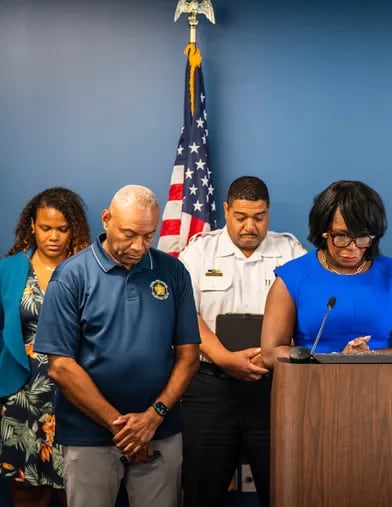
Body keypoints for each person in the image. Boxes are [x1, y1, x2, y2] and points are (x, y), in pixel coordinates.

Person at [32, 185, 200, 507]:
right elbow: (61, 367)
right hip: (88, 435)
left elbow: (189, 356)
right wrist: (123, 428)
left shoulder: (173, 272)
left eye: (149, 236)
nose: (139, 246)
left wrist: (153, 417)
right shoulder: (71, 276)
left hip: (160, 432)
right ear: (106, 220)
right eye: (129, 234)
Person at [178, 176, 306, 507]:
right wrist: (223, 358)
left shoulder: (291, 252)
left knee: (283, 489)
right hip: (210, 387)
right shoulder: (199, 252)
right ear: (226, 210)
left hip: (274, 388)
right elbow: (185, 316)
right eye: (240, 217)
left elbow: (306, 313)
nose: (250, 226)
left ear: (269, 212)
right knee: (202, 491)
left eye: (259, 217)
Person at [262, 180, 392, 366]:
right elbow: (270, 353)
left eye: (362, 238)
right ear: (324, 231)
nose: (352, 248)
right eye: (342, 236)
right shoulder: (293, 278)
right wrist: (334, 360)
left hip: (383, 387)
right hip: (312, 387)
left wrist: (369, 357)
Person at [0, 188, 90, 507]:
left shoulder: (89, 268)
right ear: (32, 226)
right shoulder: (8, 270)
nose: (53, 236)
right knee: (27, 494)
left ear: (74, 229)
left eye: (62, 229)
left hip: (75, 394)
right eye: (45, 228)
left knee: (78, 490)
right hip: (21, 397)